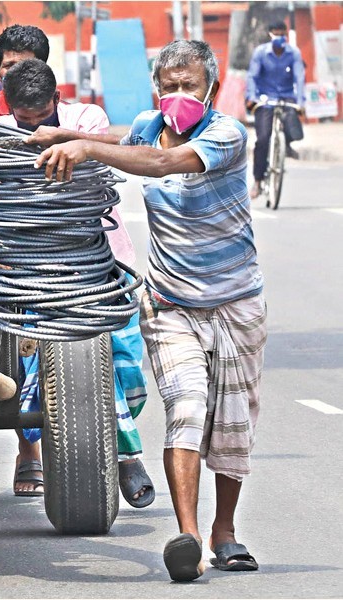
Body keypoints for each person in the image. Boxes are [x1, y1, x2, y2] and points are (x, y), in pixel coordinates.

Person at [29, 40, 266, 582]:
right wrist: (67, 135)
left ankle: (223, 533)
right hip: (170, 304)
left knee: (232, 427)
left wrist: (87, 151)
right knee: (185, 406)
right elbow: (123, 138)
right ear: (158, 89)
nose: (181, 95)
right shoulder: (146, 124)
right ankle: (188, 538)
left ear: (210, 85)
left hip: (236, 302)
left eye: (191, 84)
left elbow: (160, 163)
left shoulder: (225, 135)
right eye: (172, 85)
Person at [0, 58, 154, 508]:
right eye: (24, 121)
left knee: (122, 359)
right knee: (37, 364)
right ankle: (127, 456)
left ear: (56, 101)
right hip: (31, 271)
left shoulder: (87, 120)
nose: (33, 127)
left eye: (41, 117)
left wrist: (62, 138)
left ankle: (114, 444)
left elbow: (116, 144)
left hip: (99, 260)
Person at [246, 20, 305, 201]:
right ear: (270, 35)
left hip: (286, 96)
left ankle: (285, 144)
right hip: (264, 98)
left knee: (292, 123)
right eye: (276, 33)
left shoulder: (293, 53)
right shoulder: (261, 53)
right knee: (263, 139)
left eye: (282, 34)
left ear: (285, 35)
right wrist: (252, 97)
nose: (279, 37)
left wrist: (301, 101)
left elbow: (299, 78)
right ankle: (257, 181)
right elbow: (252, 77)